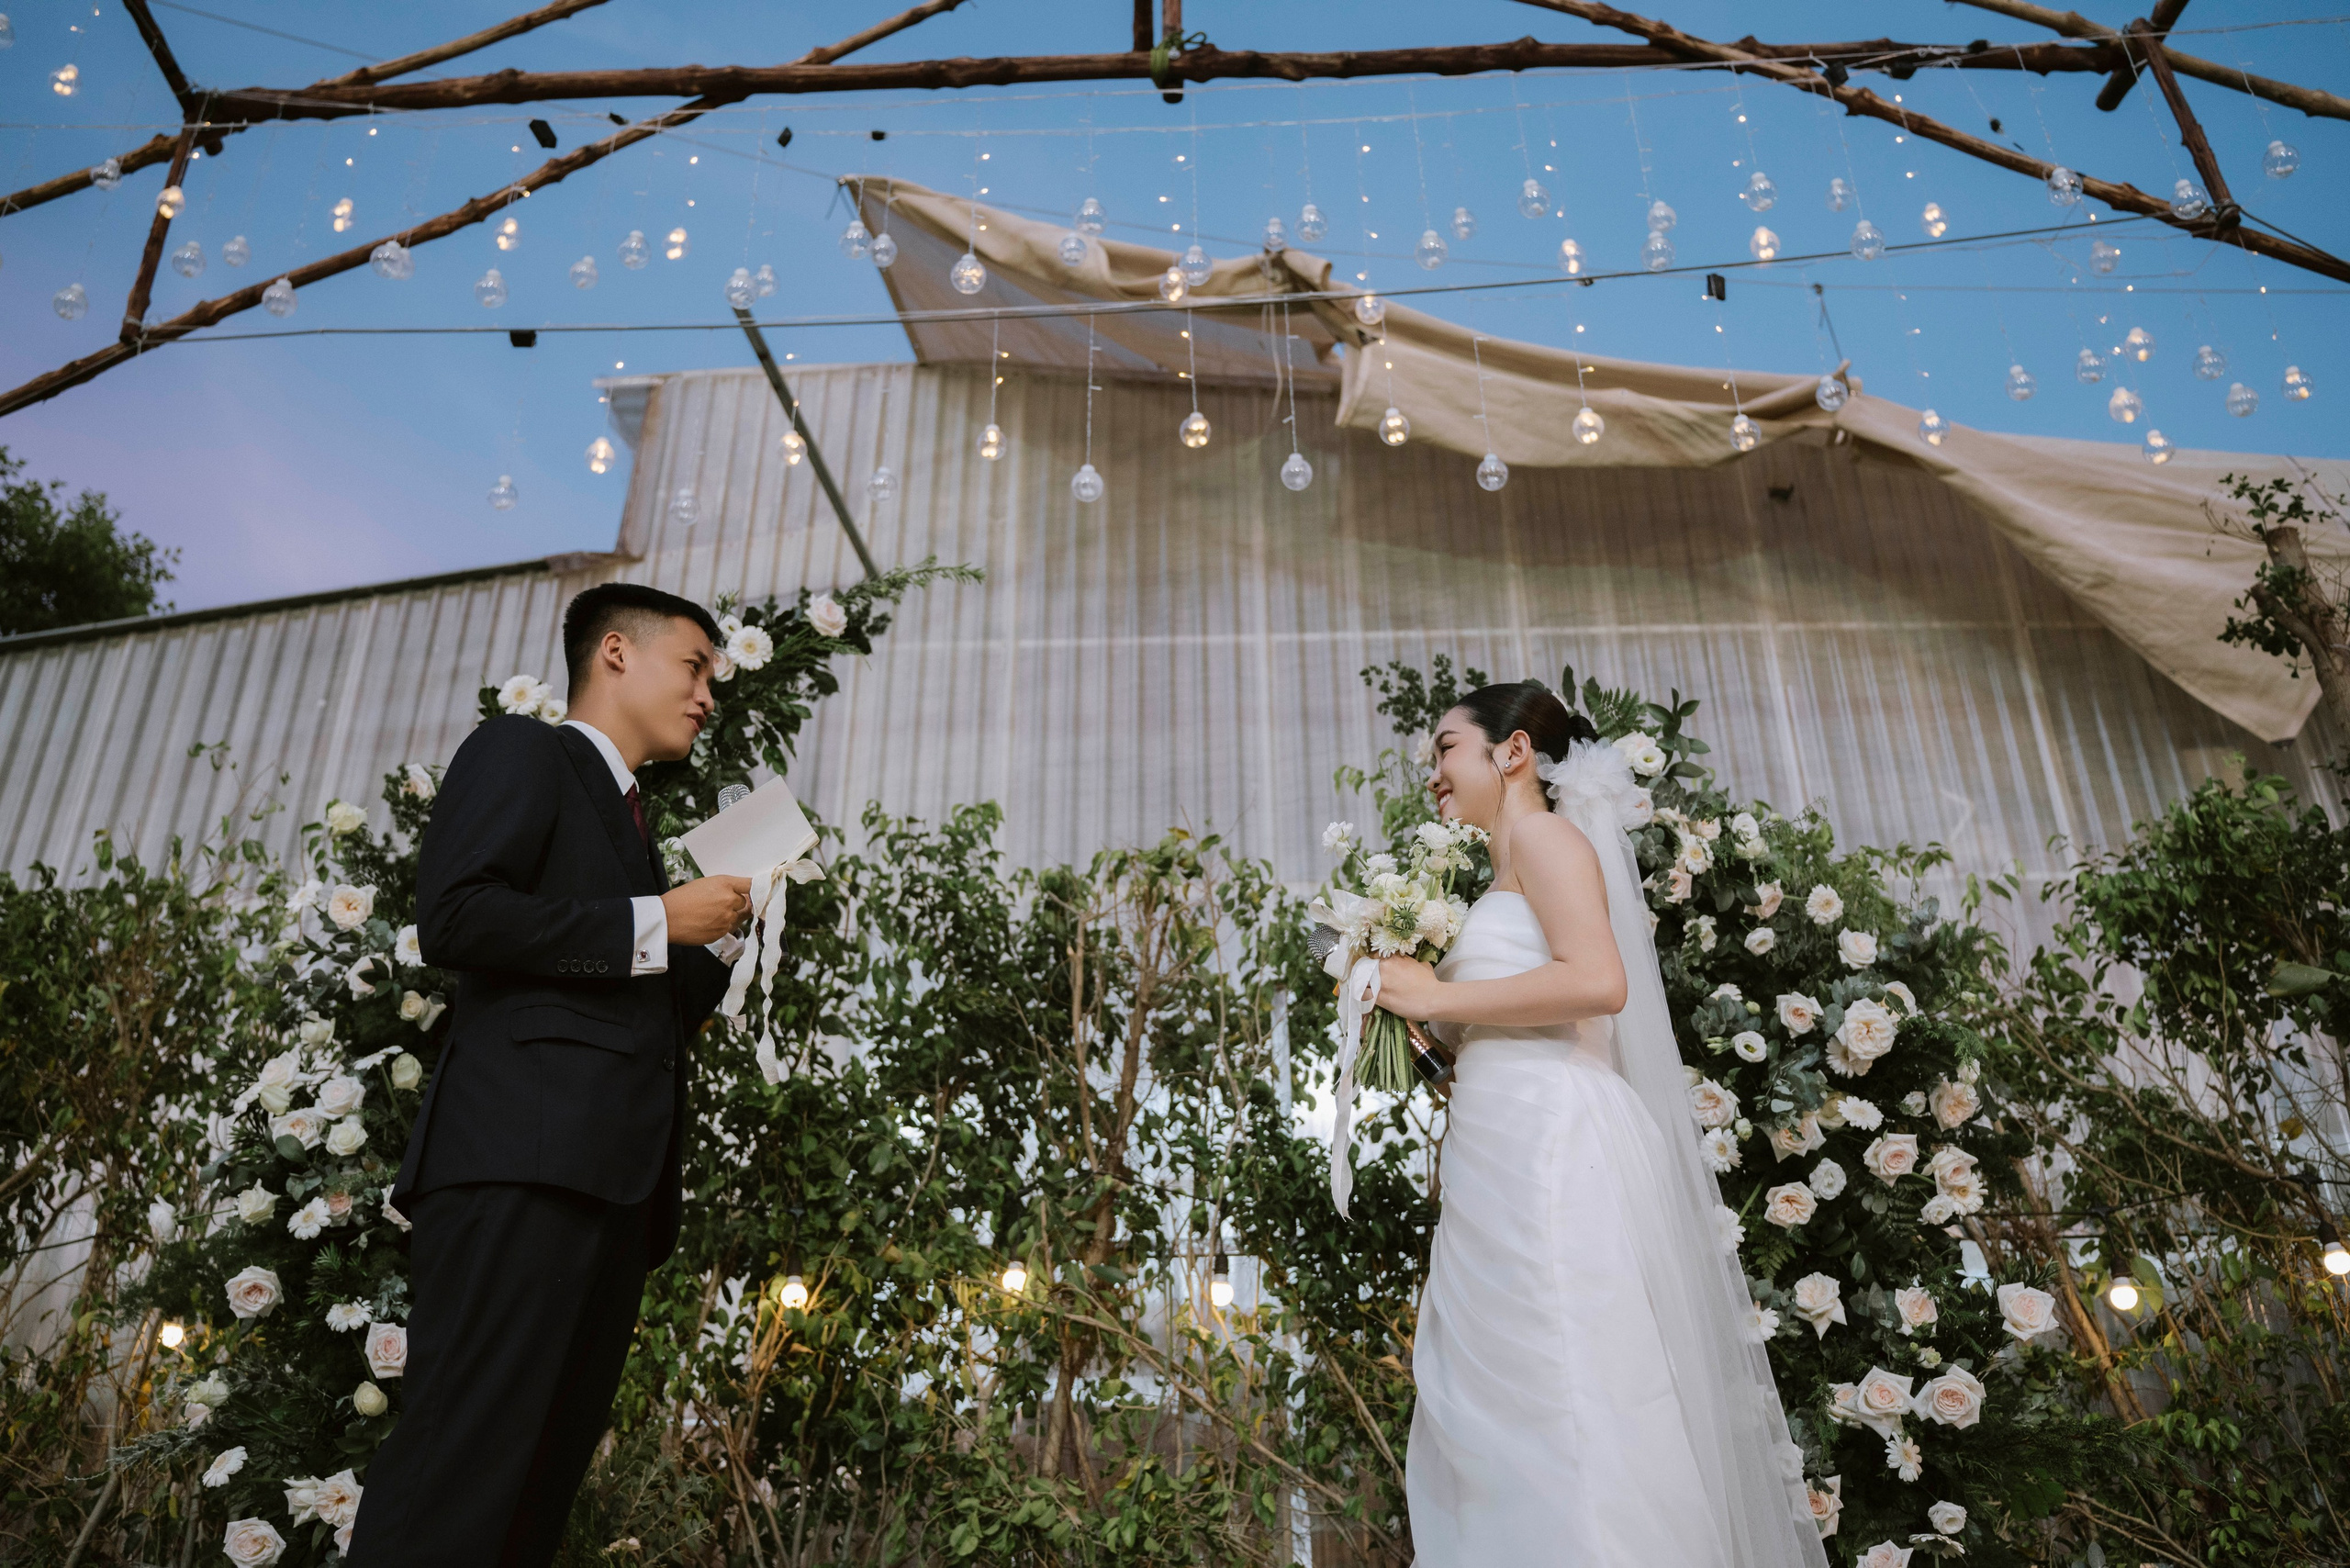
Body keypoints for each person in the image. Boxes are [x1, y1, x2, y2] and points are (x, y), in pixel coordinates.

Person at [1372, 680, 1826, 1568]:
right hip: (1493, 1144)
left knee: (1563, 1375)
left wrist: (1435, 991)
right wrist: (1417, 1031)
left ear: (1511, 753)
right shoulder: (1494, 873)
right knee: (1502, 1397)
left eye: (1445, 749)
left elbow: (1599, 983)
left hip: (1551, 1143)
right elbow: (1504, 1022)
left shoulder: (1545, 836)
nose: (1434, 773)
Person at [348, 583, 754, 1568]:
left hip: (614, 1190)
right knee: (461, 1463)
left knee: (533, 1489)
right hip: (519, 1167)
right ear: (615, 651)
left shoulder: (636, 823)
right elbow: (457, 915)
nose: (708, 696)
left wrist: (729, 933)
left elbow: (630, 1003)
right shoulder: (523, 751)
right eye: (695, 667)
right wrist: (659, 918)